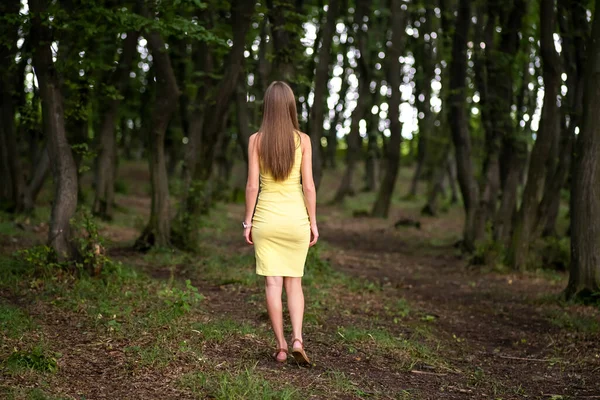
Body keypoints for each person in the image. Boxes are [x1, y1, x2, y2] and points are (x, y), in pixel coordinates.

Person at [243, 81, 319, 365]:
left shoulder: (256, 140)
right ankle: (298, 338)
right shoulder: (304, 140)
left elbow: (252, 186)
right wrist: (313, 222)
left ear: (267, 107)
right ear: (290, 107)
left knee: (272, 284)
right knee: (294, 283)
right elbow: (309, 186)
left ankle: (282, 347)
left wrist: (247, 222)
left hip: (266, 219)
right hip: (296, 219)